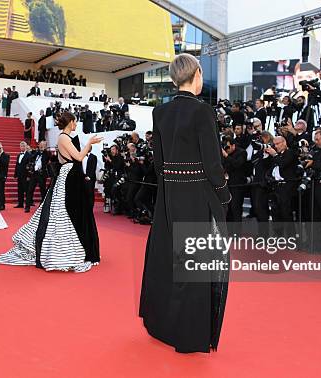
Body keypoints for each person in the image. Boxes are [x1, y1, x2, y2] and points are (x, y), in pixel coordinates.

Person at [139, 53, 231, 353]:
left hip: (168, 197)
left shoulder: (160, 113)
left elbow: (158, 163)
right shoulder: (202, 111)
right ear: (198, 74)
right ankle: (189, 334)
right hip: (197, 197)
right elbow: (212, 164)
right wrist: (223, 194)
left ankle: (162, 326)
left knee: (166, 261)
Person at [0, 112, 103, 272]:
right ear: (70, 122)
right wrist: (89, 143)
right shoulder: (64, 138)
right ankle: (60, 252)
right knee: (59, 215)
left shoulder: (64, 138)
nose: (75, 125)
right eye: (74, 122)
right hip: (67, 179)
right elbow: (79, 157)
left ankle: (70, 248)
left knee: (61, 214)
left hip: (69, 178)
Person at [25, 140, 49, 213]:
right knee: (30, 190)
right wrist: (38, 151)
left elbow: (47, 158)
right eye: (40, 144)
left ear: (45, 146)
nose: (41, 146)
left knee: (42, 191)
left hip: (41, 175)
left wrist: (43, 151)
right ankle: (27, 206)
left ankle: (42, 206)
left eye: (43, 145)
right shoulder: (36, 152)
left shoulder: (47, 153)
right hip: (34, 174)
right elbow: (31, 158)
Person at [14, 141, 31, 208]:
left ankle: (27, 204)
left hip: (26, 176)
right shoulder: (19, 155)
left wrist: (29, 176)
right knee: (20, 190)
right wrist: (15, 174)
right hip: (19, 175)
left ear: (26, 147)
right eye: (21, 146)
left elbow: (30, 166)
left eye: (23, 146)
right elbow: (17, 165)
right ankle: (20, 204)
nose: (22, 147)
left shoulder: (29, 155)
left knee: (27, 190)